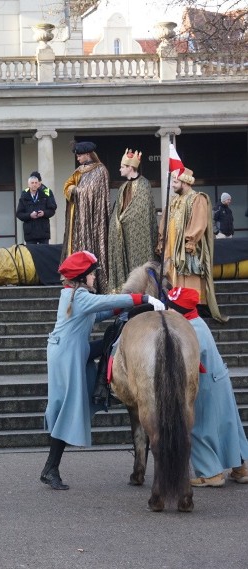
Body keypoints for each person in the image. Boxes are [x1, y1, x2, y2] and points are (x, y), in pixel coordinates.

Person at [41, 250, 164, 490]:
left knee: (110, 338)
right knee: (66, 410)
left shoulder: (76, 295)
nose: (94, 278)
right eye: (92, 274)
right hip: (68, 356)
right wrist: (143, 299)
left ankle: (104, 386)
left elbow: (100, 313)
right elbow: (106, 301)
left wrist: (124, 310)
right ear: (82, 276)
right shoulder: (79, 296)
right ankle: (50, 469)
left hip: (74, 352)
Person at [165, 287, 248, 487]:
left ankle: (210, 473)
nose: (167, 311)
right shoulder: (197, 322)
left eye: (171, 307)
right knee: (229, 424)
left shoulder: (189, 329)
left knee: (198, 427)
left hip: (204, 384)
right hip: (219, 378)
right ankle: (241, 468)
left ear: (179, 311)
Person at [157, 167, 225, 322]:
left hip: (188, 249)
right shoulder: (174, 201)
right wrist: (162, 240)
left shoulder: (197, 198)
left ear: (185, 182)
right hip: (172, 249)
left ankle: (193, 306)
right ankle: (178, 305)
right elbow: (165, 222)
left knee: (190, 277)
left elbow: (199, 221)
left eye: (175, 181)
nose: (173, 185)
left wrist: (190, 241)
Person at [62, 141, 110, 293]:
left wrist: (78, 191)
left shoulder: (100, 170)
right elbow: (68, 185)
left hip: (94, 218)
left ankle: (95, 282)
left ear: (88, 154)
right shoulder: (79, 171)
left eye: (80, 155)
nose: (78, 158)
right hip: (79, 218)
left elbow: (94, 191)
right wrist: (72, 189)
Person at [107, 149, 157, 293]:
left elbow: (141, 210)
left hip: (137, 235)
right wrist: (117, 222)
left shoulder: (144, 184)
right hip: (122, 233)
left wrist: (122, 219)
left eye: (122, 166)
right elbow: (117, 210)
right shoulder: (123, 187)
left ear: (130, 167)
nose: (120, 169)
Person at [16, 172, 57, 245]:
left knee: (44, 252)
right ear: (29, 184)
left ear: (39, 182)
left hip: (43, 231)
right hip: (30, 232)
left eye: (36, 182)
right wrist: (30, 215)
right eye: (32, 182)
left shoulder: (46, 192)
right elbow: (19, 213)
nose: (34, 184)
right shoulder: (25, 193)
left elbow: (53, 207)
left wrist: (44, 213)